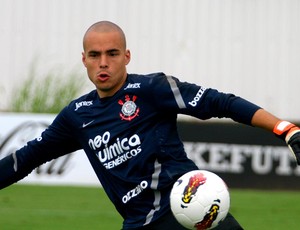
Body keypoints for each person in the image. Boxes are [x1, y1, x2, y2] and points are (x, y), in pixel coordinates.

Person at [1, 21, 300, 230]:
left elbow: (221, 102)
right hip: (139, 224)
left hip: (192, 209)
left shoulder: (152, 89)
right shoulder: (77, 115)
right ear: (84, 60)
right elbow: (28, 157)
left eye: (112, 54)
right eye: (95, 55)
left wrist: (285, 129)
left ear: (126, 56)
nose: (103, 62)